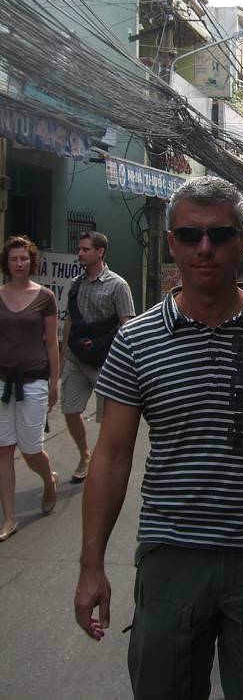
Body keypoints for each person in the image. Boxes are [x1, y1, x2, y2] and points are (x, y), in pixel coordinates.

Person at [74, 176, 243, 700]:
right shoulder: (136, 340)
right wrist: (91, 565)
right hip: (171, 555)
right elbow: (112, 456)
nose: (204, 248)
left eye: (219, 235)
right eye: (189, 235)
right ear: (171, 243)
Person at [60, 231, 135, 483]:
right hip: (76, 358)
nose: (80, 253)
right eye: (79, 249)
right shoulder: (75, 283)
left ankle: (104, 462)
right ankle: (85, 454)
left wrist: (125, 363)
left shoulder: (118, 285)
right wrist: (62, 355)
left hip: (106, 361)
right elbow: (70, 320)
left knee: (108, 418)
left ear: (100, 252)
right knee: (70, 410)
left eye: (85, 249)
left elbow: (127, 325)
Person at [0, 236, 59, 541]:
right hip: (2, 382)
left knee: (31, 449)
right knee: (3, 449)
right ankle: (9, 517)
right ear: (7, 263)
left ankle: (49, 481)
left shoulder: (45, 297)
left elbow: (51, 343)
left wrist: (54, 382)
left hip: (34, 381)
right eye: (14, 259)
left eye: (24, 258)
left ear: (31, 261)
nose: (19, 263)